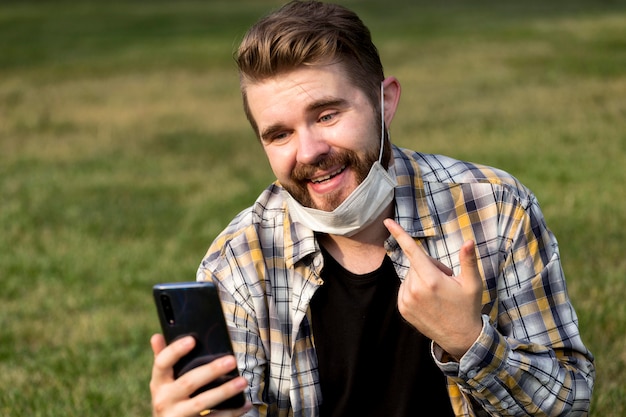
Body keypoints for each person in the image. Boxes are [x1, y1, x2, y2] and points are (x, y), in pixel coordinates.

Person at [149, 1, 595, 416]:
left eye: (326, 115)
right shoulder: (238, 263)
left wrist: (468, 341)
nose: (308, 151)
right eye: (279, 134)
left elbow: (570, 403)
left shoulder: (495, 208)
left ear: (385, 102)